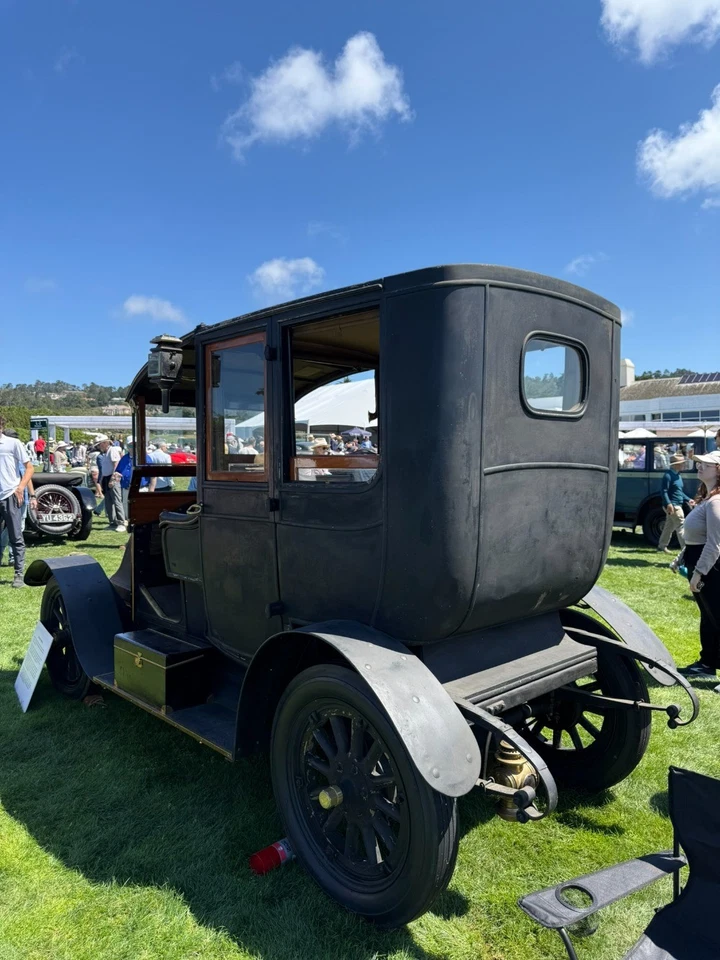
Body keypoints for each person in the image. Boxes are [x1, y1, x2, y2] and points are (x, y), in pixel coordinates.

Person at [678, 451, 720, 686]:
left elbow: (715, 544)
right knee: (709, 618)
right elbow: (696, 538)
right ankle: (707, 665)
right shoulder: (707, 498)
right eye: (699, 463)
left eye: (706, 464)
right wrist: (681, 558)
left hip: (711, 569)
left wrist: (698, 573)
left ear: (718, 469)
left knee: (718, 617)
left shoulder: (716, 501)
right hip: (701, 564)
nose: (700, 466)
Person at [0, 417, 35, 587]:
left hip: (9, 495)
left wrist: (21, 487)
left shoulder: (13, 443)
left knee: (15, 535)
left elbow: (29, 467)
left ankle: (18, 574)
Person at [657, 452, 695, 553]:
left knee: (669, 526)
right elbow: (663, 491)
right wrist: (669, 504)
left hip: (677, 504)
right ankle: (686, 550)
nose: (684, 465)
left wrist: (688, 499)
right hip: (674, 505)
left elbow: (679, 492)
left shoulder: (678, 475)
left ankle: (662, 546)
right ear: (676, 465)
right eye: (682, 463)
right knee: (681, 525)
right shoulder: (668, 476)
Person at [97, 435, 126, 531]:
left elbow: (116, 465)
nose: (99, 446)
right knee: (108, 501)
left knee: (117, 500)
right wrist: (102, 480)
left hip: (112, 477)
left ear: (105, 443)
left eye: (100, 444)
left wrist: (112, 479)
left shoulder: (112, 450)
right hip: (106, 477)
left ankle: (121, 522)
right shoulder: (105, 453)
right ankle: (112, 522)